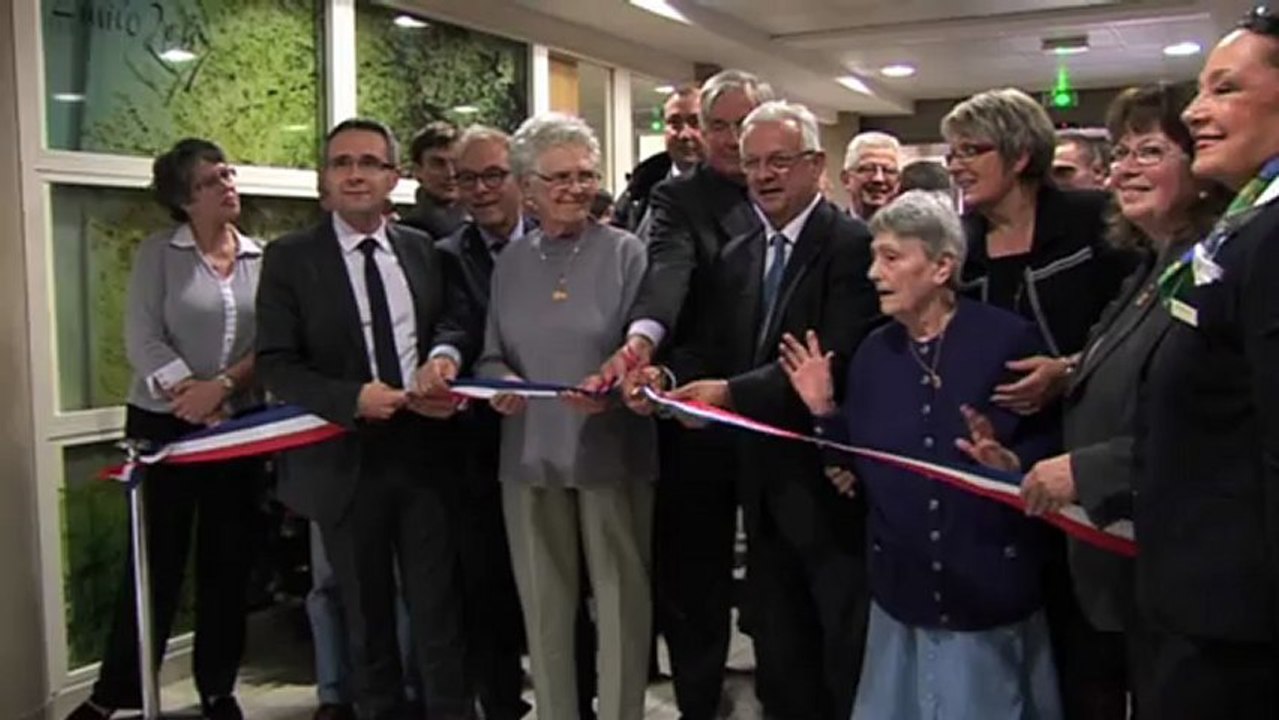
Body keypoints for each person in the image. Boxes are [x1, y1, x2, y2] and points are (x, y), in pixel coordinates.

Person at [989, 83, 1230, 720]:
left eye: (1149, 151)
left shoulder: (1221, 271)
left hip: (1183, 566)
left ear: (1201, 164)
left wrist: (1086, 470)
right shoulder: (1153, 269)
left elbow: (1215, 425)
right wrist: (1067, 375)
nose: (1125, 168)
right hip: (1121, 563)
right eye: (1120, 153)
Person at [632, 100, 879, 720]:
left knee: (839, 654)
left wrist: (729, 395)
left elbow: (832, 356)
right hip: (759, 488)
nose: (765, 175)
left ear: (817, 165)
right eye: (753, 163)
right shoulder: (742, 249)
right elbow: (715, 346)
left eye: (780, 162)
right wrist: (667, 376)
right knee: (781, 654)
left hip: (829, 483)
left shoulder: (853, 245)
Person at [779, 190, 1063, 720]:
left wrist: (1010, 466)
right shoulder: (872, 353)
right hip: (901, 588)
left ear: (941, 267)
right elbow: (853, 466)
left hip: (984, 583)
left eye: (891, 257)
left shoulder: (1006, 339)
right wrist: (823, 410)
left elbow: (1052, 446)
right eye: (873, 257)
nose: (873, 274)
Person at [256, 118, 469, 720]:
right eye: (341, 162)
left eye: (370, 163)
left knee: (437, 609)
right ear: (325, 179)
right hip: (344, 458)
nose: (355, 174)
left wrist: (443, 360)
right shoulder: (291, 258)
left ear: (393, 178)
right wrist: (351, 398)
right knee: (366, 615)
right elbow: (276, 363)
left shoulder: (422, 250)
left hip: (424, 453)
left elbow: (451, 322)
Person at [941, 87, 1136, 719]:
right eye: (951, 151)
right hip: (994, 462)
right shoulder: (961, 241)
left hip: (1087, 460)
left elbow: (1133, 331)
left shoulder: (1095, 220)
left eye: (972, 150)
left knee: (1092, 650)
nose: (956, 164)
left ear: (1022, 155)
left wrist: (1067, 368)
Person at [67, 139, 266, 720]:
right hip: (164, 421)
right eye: (210, 181)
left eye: (228, 173)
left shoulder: (261, 258)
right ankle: (117, 692)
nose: (227, 185)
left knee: (227, 560)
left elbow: (269, 341)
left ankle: (217, 688)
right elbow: (142, 338)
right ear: (183, 199)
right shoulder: (160, 254)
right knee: (156, 560)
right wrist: (191, 396)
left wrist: (223, 389)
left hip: (237, 421)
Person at [475, 112, 657, 720]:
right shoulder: (510, 262)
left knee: (622, 606)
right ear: (526, 187)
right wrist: (500, 384)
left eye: (586, 175)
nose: (577, 188)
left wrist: (618, 373)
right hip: (527, 455)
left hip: (613, 451)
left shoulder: (626, 252)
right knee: (545, 611)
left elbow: (647, 346)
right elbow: (492, 352)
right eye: (559, 178)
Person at [608, 69, 773, 720]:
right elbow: (667, 275)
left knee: (782, 566)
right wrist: (642, 342)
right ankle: (699, 701)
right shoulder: (678, 201)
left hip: (774, 406)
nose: (733, 140)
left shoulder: (794, 195)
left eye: (744, 124)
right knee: (692, 573)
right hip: (695, 408)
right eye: (719, 126)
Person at [1136, 9, 1279, 717]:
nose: (1193, 111)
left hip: (1242, 631)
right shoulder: (1246, 220)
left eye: (1223, 89)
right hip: (1204, 605)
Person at [418, 124, 536, 720]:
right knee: (486, 588)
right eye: (468, 179)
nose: (482, 190)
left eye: (494, 175)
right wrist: (444, 358)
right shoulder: (445, 256)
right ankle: (500, 702)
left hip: (555, 440)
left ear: (519, 178)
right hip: (477, 452)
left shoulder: (565, 238)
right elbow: (454, 325)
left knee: (565, 588)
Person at [613, 84, 704, 232]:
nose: (685, 134)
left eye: (695, 123)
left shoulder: (733, 192)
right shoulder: (640, 188)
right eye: (674, 123)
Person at [401, 120, 469, 239]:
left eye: (457, 163)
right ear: (417, 170)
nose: (451, 173)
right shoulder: (405, 236)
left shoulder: (487, 227)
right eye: (438, 164)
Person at [839, 131, 902, 220]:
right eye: (868, 169)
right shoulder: (827, 232)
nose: (879, 179)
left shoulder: (913, 231)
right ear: (846, 179)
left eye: (888, 171)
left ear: (898, 181)